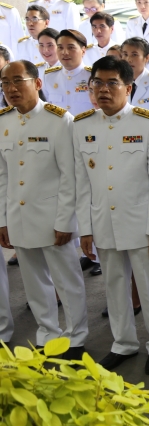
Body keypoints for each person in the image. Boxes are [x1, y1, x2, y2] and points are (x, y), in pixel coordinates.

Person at [73, 56, 149, 374]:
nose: (103, 90)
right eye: (97, 83)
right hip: (104, 221)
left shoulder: (147, 122)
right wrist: (85, 229)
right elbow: (82, 183)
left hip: (142, 223)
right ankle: (123, 343)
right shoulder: (83, 125)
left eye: (111, 83)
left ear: (128, 88)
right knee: (114, 285)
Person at [0, 60, 88, 358]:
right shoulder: (3, 121)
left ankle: (76, 338)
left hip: (54, 218)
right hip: (19, 218)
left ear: (37, 83)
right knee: (33, 282)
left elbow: (70, 174)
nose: (10, 89)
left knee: (68, 281)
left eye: (17, 81)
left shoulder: (59, 120)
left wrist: (65, 220)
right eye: (5, 83)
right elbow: (2, 176)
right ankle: (47, 333)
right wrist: (3, 220)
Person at [41, 29, 93, 115]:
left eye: (71, 47)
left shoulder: (92, 76)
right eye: (60, 48)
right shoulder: (49, 76)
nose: (64, 52)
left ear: (83, 51)